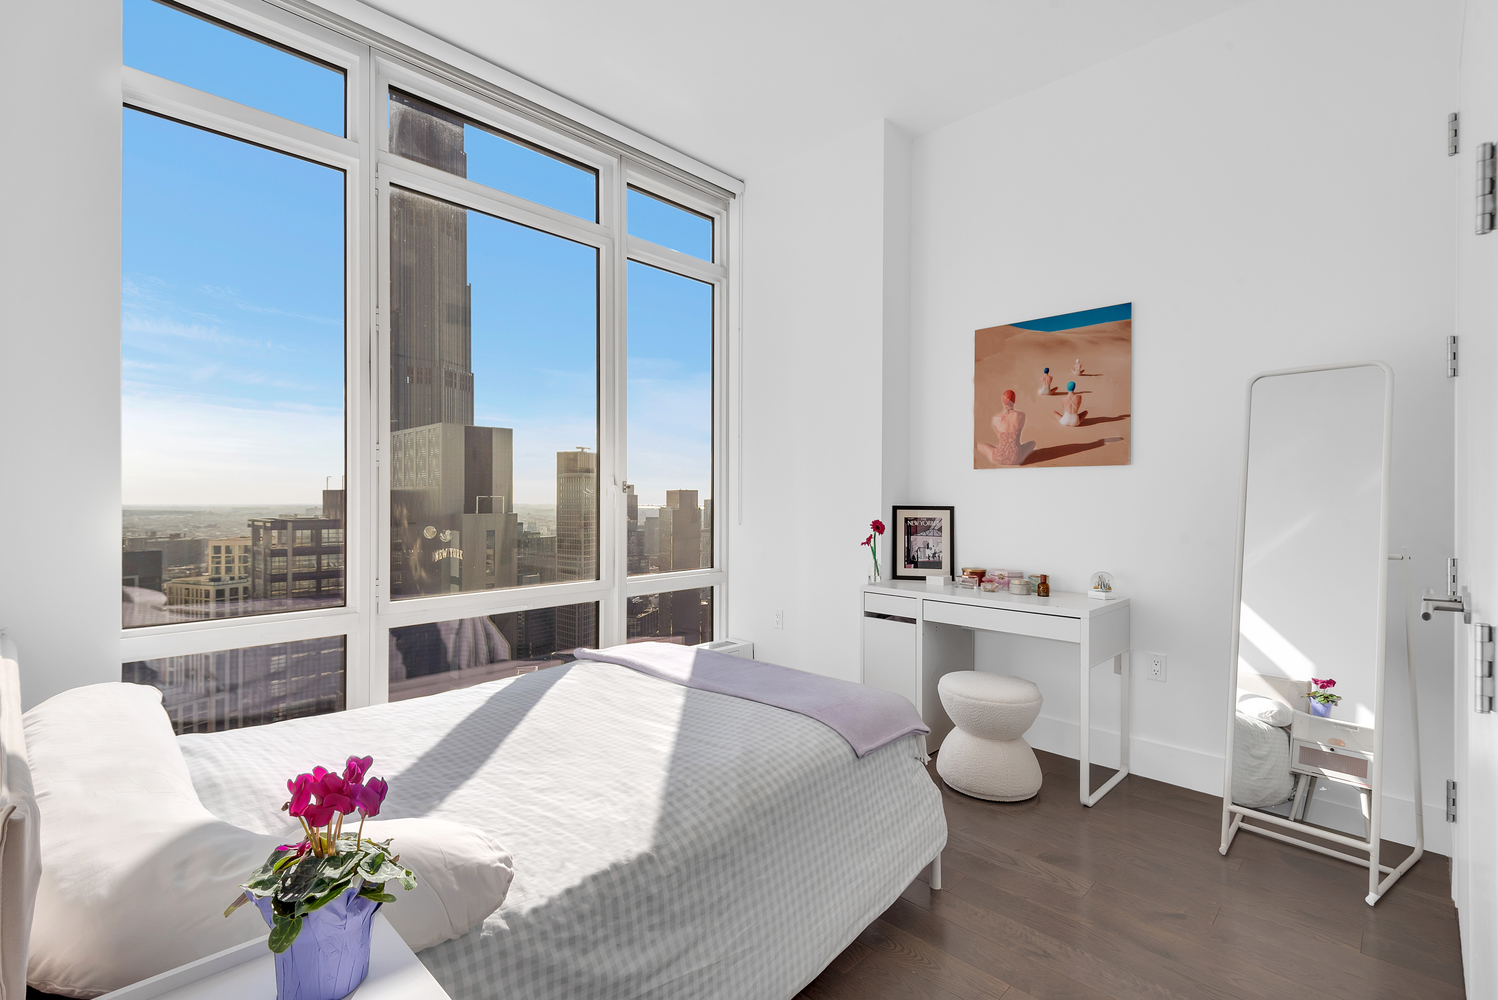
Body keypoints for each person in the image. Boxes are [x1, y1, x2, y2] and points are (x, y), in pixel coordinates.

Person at [978, 389, 1026, 465]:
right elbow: (1019, 431)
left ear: (1002, 401)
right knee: (1032, 443)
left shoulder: (996, 418)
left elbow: (1002, 438)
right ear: (1014, 400)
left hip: (999, 457)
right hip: (1016, 457)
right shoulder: (1021, 415)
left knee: (980, 445)